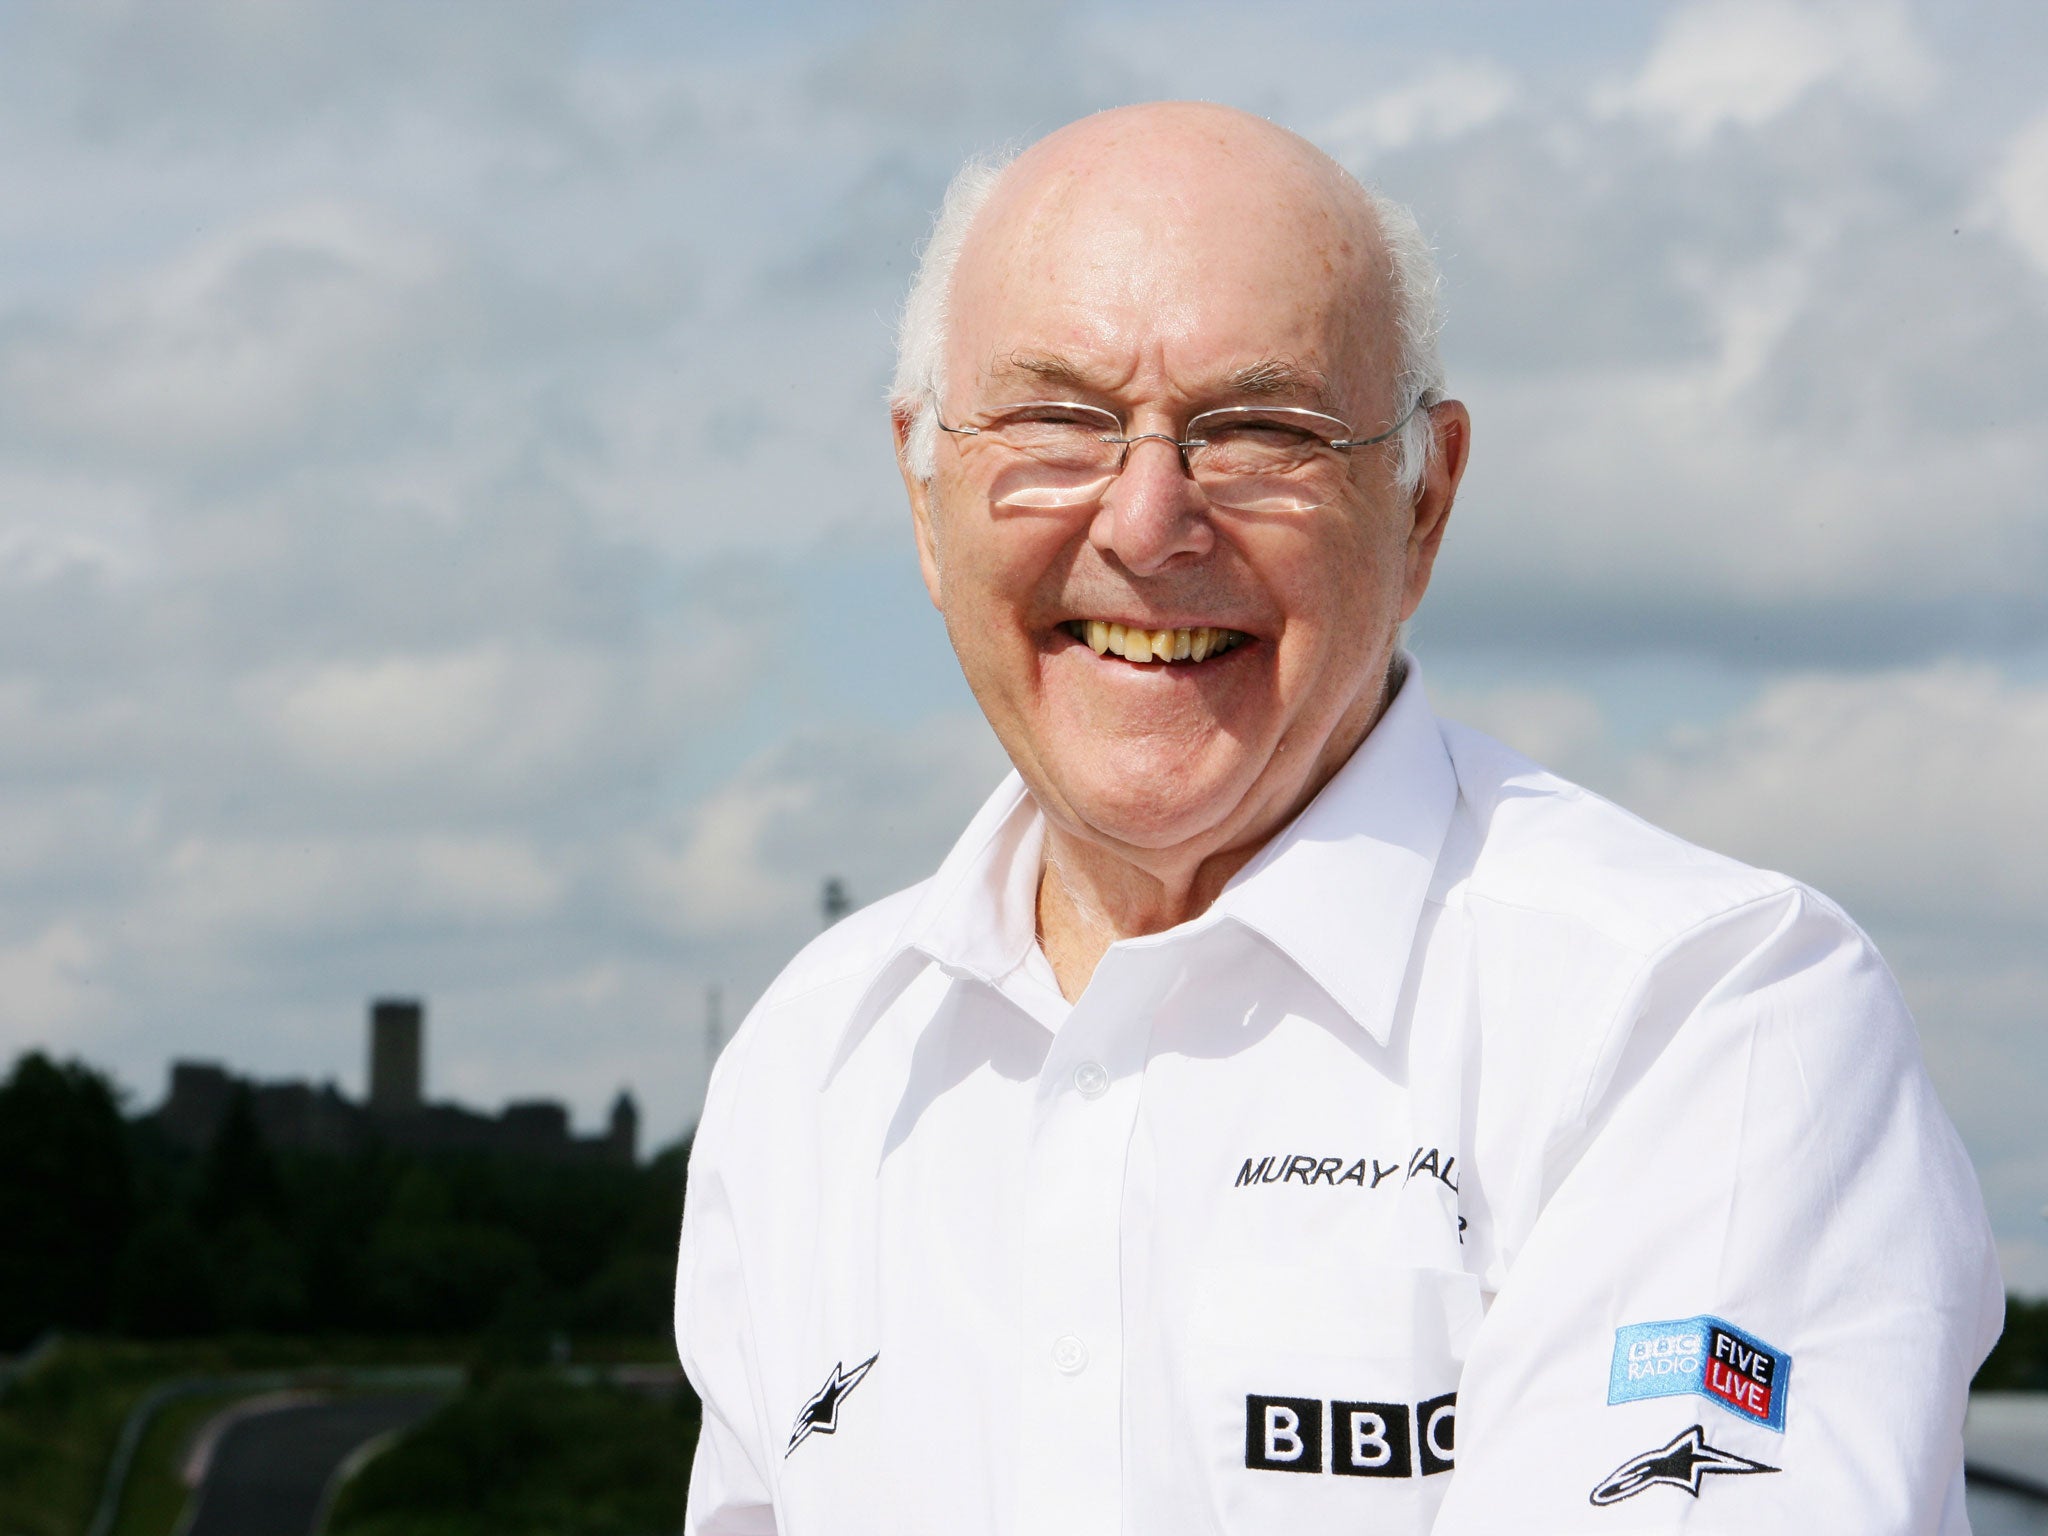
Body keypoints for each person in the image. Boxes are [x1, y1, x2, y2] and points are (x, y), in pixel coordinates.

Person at [674, 102, 2001, 1535]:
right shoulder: (808, 1073)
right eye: (1058, 419)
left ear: (1422, 506)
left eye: (1261, 431)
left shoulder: (1704, 1017)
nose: (1146, 520)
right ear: (926, 496)